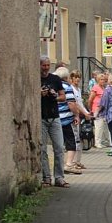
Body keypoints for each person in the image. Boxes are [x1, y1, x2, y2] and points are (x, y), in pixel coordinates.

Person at [40, 56, 68, 188]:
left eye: (47, 65)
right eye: (43, 65)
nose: (45, 68)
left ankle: (59, 178)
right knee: (42, 149)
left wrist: (55, 95)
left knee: (59, 148)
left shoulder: (55, 79)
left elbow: (63, 97)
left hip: (54, 117)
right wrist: (39, 94)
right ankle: (46, 177)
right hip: (41, 118)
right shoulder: (36, 79)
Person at [53, 67, 82, 176]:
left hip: (55, 118)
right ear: (66, 77)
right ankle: (68, 164)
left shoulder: (53, 86)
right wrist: (76, 115)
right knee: (71, 141)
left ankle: (59, 166)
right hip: (66, 118)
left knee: (59, 144)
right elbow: (71, 103)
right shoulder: (66, 87)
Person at [69, 70, 91, 169]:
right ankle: (73, 162)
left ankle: (78, 161)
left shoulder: (78, 89)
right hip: (74, 116)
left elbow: (80, 103)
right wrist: (84, 113)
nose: (77, 79)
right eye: (75, 77)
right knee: (75, 139)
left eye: (79, 77)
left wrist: (87, 112)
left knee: (80, 139)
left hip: (79, 115)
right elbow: (75, 104)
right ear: (72, 78)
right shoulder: (71, 89)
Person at [88, 73, 111, 149]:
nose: (103, 81)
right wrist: (90, 110)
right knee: (99, 127)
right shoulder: (95, 88)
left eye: (104, 79)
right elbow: (90, 100)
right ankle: (97, 142)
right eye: (101, 79)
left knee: (105, 127)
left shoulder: (104, 88)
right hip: (97, 109)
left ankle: (106, 141)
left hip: (104, 110)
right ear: (98, 80)